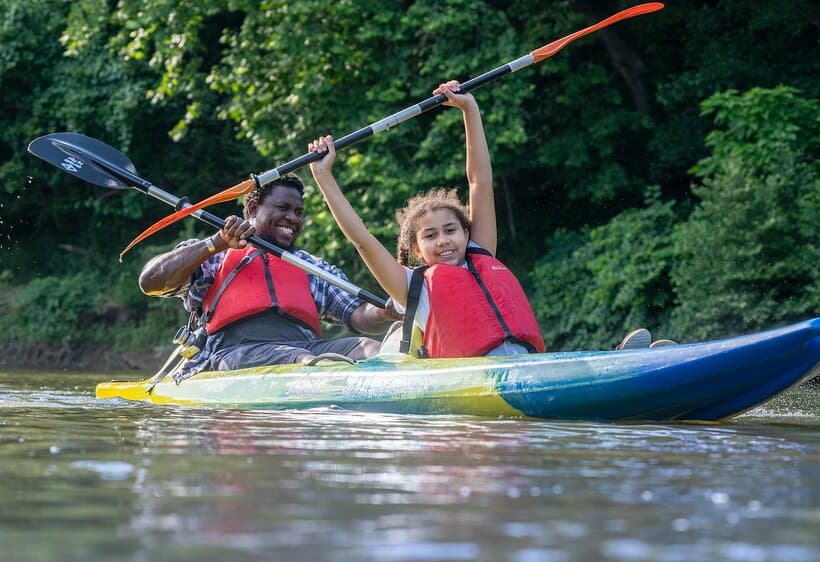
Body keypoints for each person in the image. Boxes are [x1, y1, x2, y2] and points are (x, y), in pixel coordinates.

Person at [308, 80, 544, 359]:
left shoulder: (480, 251)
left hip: (527, 363)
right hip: (476, 381)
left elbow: (479, 181)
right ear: (416, 249)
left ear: (466, 234)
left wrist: (470, 109)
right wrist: (323, 176)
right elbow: (363, 240)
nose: (444, 241)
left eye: (450, 230)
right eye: (430, 236)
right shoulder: (410, 287)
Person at [137, 173, 397, 380]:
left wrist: (386, 313)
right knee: (298, 357)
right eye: (283, 207)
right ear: (252, 207)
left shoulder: (311, 266)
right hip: (231, 353)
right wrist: (216, 242)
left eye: (298, 212)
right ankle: (328, 376)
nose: (292, 218)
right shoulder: (214, 254)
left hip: (306, 350)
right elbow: (150, 282)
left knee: (370, 349)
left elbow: (357, 315)